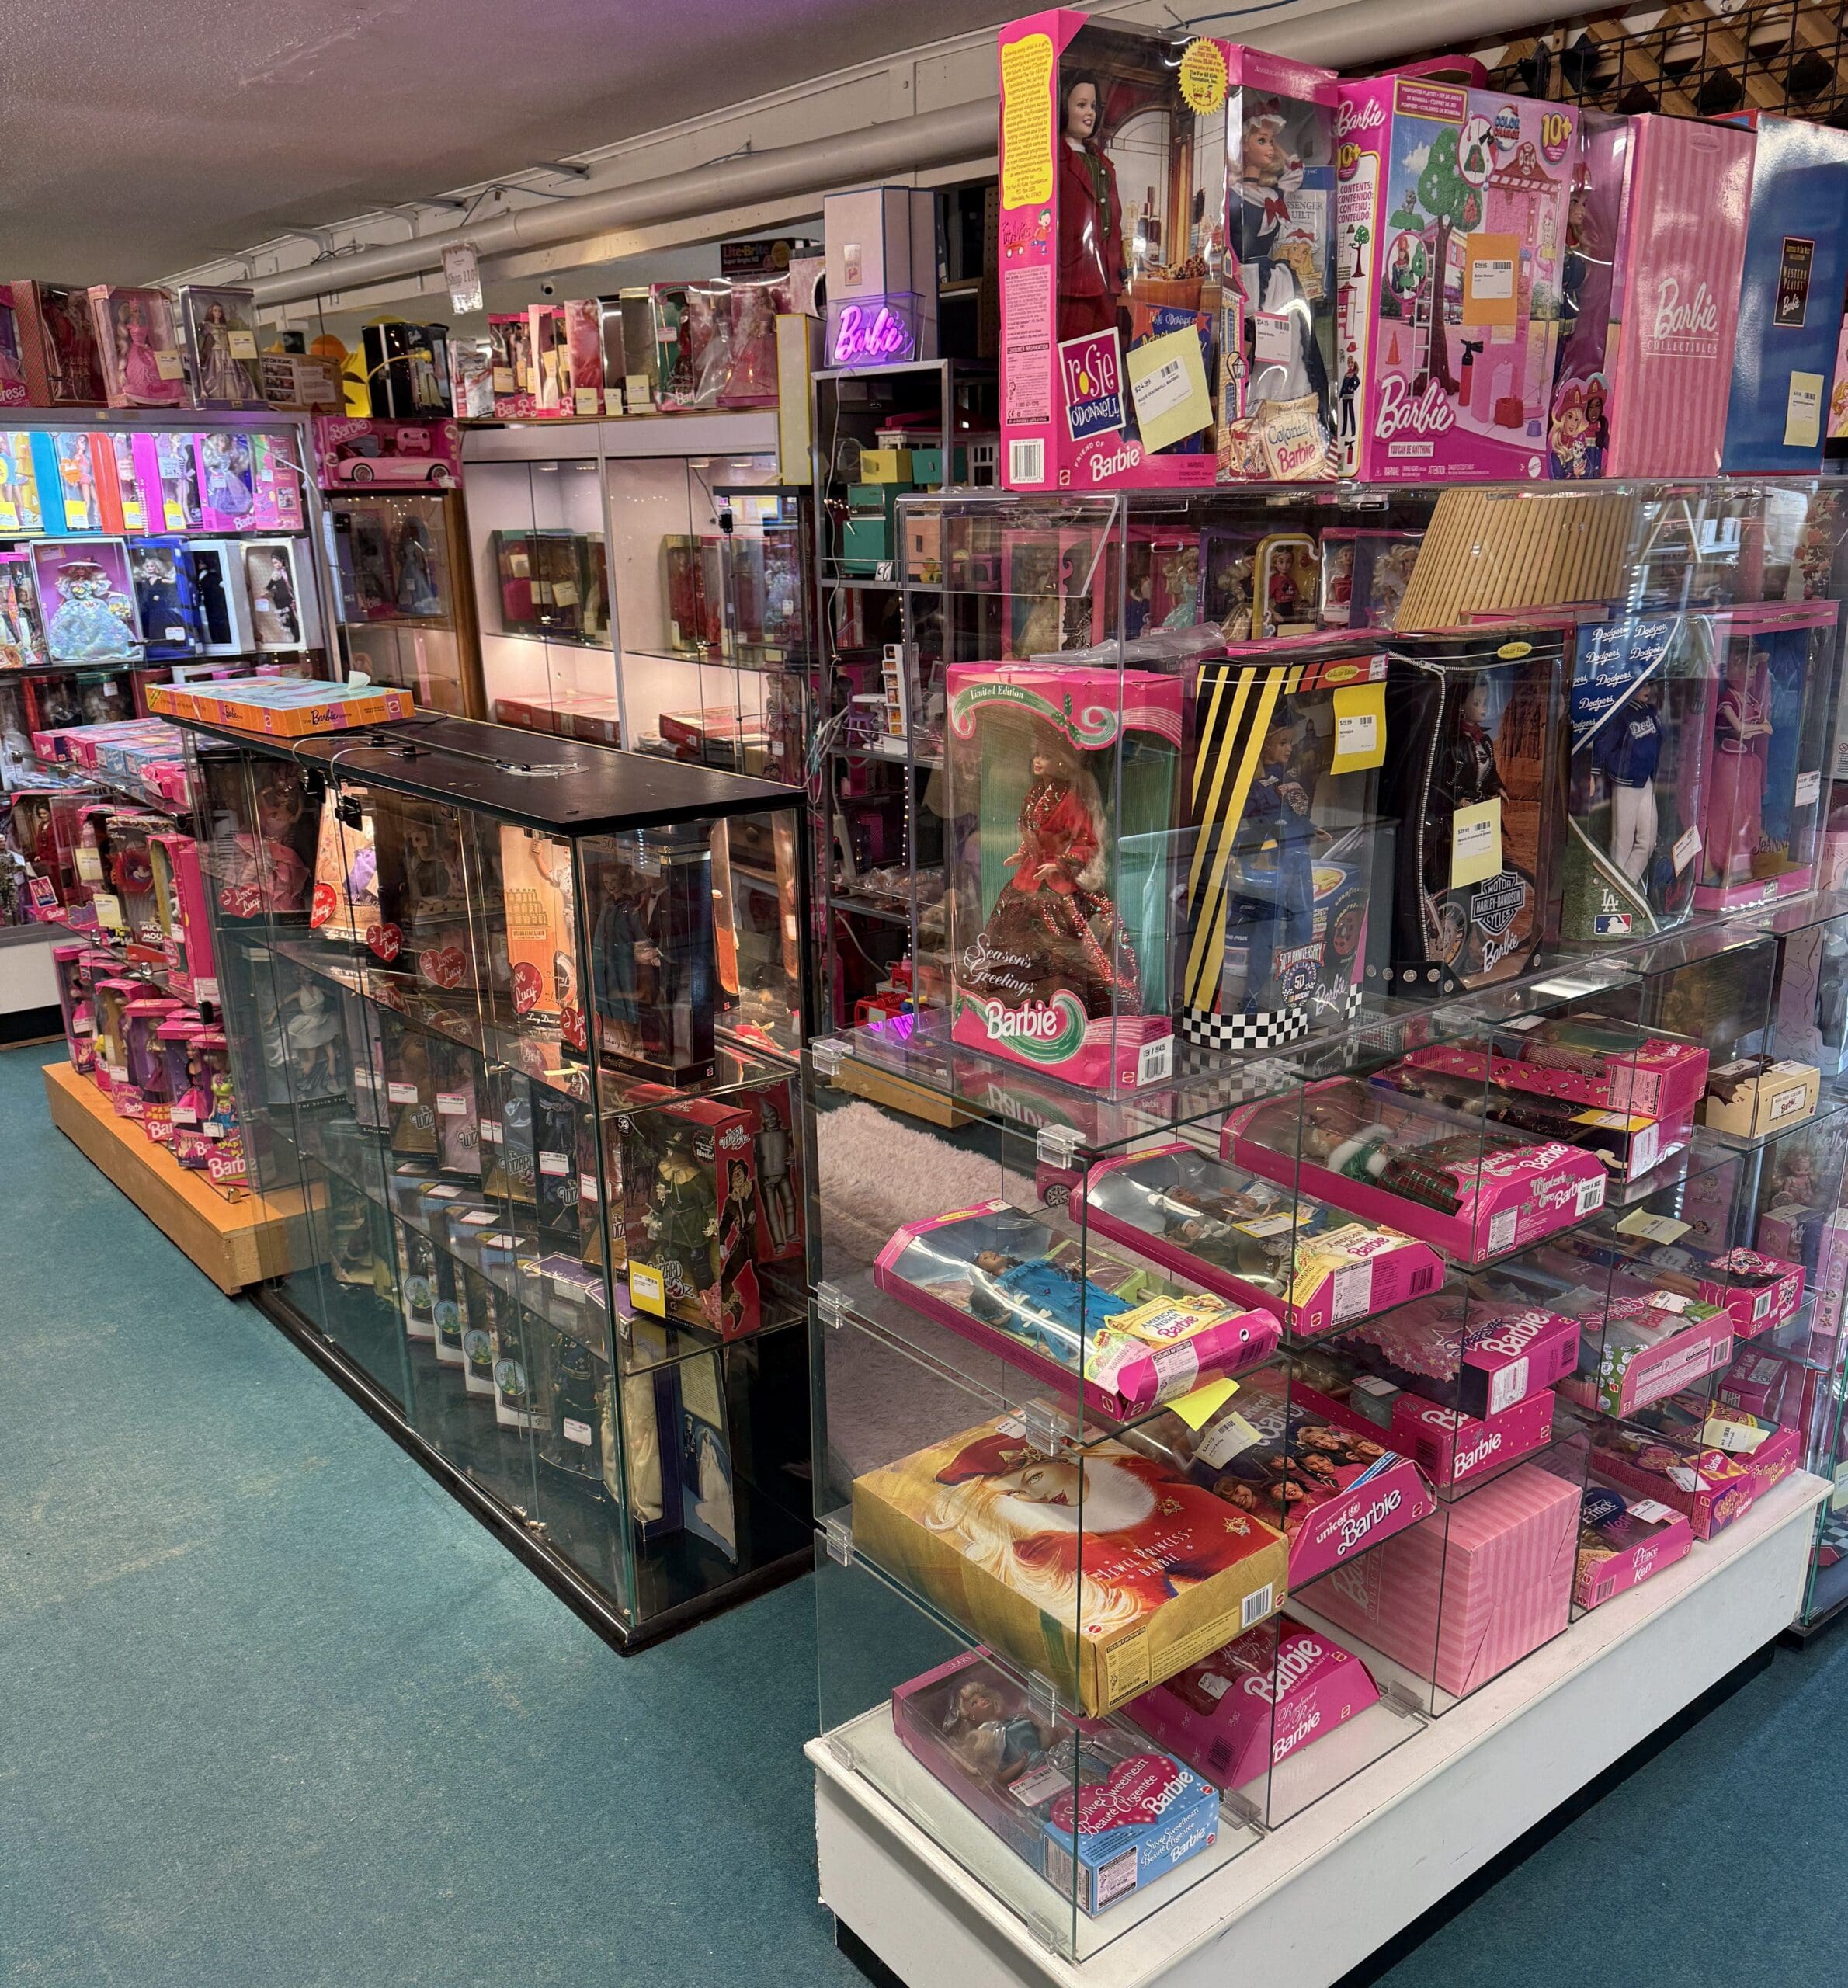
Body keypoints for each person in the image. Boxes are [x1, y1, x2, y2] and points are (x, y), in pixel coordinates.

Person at [1056, 72, 1124, 344]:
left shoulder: (1103, 163)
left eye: (1093, 106)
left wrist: (1119, 268)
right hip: (1073, 281)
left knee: (1105, 354)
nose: (1089, 113)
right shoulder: (1054, 161)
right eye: (1081, 105)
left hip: (1107, 279)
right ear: (1064, 107)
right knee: (1072, 353)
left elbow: (1114, 223)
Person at [1597, 677, 1662, 885]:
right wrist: (1595, 770)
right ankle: (1615, 889)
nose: (1647, 689)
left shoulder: (1650, 712)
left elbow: (1658, 743)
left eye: (1649, 684)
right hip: (1625, 782)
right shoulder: (1621, 714)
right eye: (1642, 685)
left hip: (1645, 780)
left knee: (1648, 841)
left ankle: (1625, 886)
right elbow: (1604, 744)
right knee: (1622, 843)